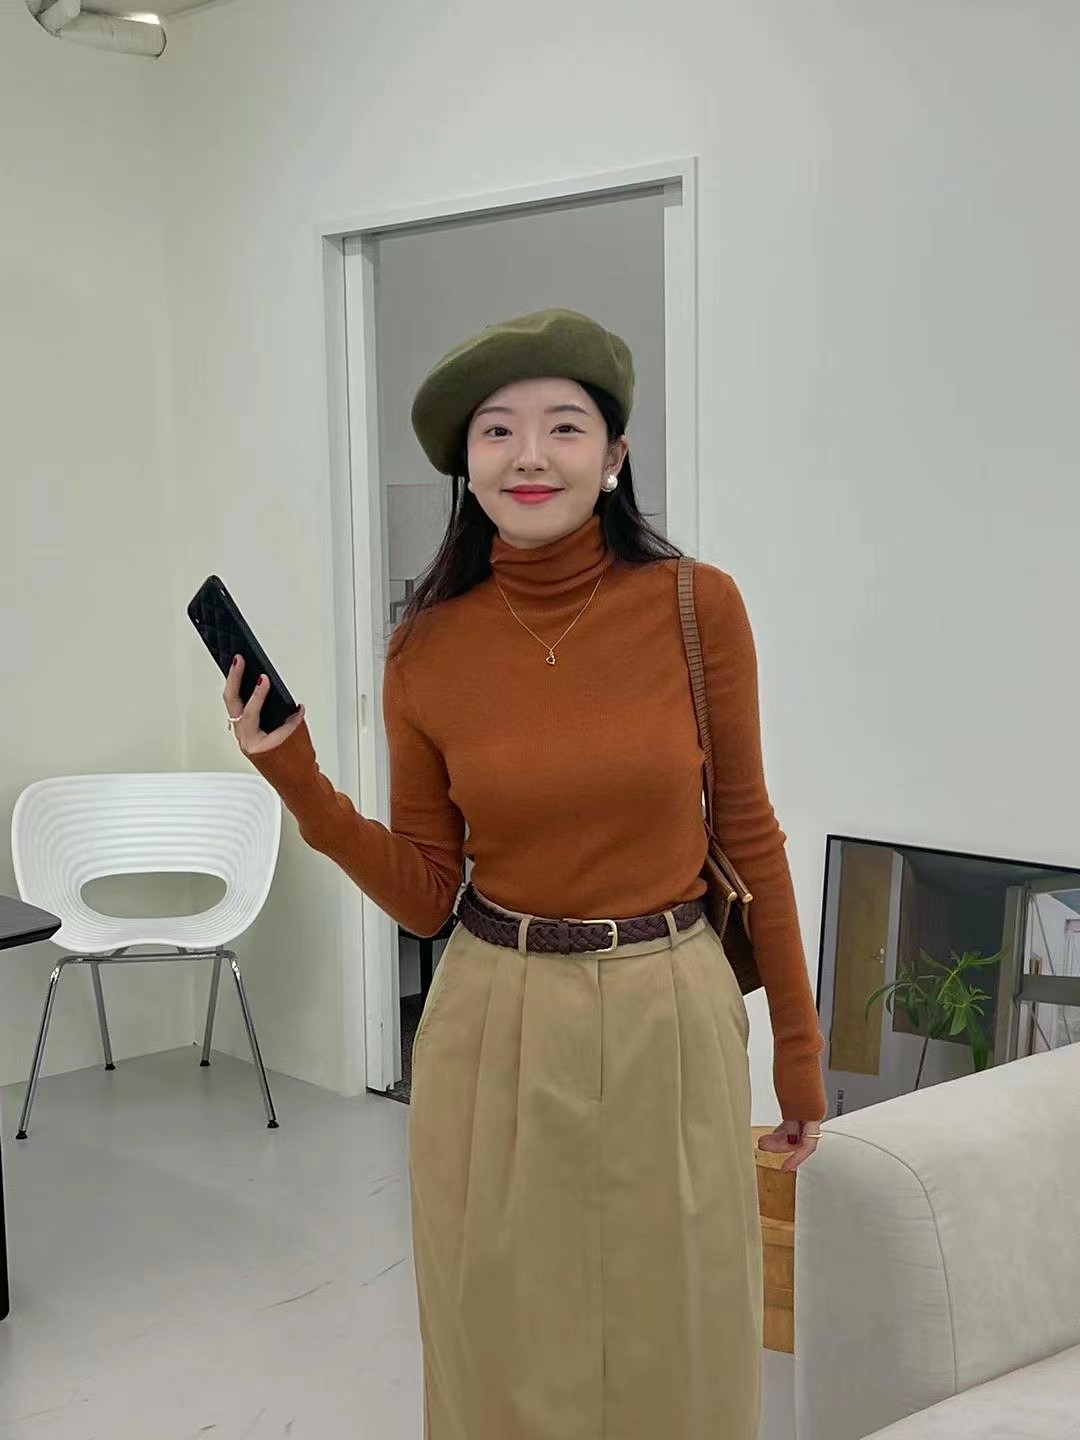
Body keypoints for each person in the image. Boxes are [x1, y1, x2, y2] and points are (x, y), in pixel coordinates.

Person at [222, 308, 826, 1440]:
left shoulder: (698, 607)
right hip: (492, 1011)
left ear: (615, 455)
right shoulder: (426, 646)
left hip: (667, 1001)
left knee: (681, 1328)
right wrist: (298, 779)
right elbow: (425, 892)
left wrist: (799, 1056)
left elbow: (750, 832)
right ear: (468, 464)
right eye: (497, 430)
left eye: (565, 425)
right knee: (500, 1332)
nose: (530, 455)